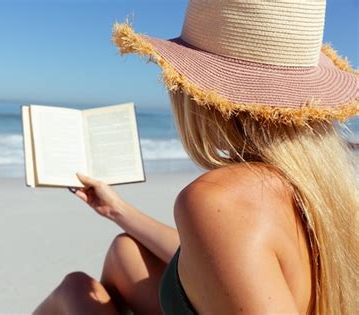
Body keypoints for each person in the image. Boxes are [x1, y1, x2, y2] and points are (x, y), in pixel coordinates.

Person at [34, 1, 358, 314]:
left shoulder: (221, 199)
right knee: (125, 251)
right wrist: (117, 210)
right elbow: (233, 257)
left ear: (202, 95)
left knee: (75, 293)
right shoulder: (324, 187)